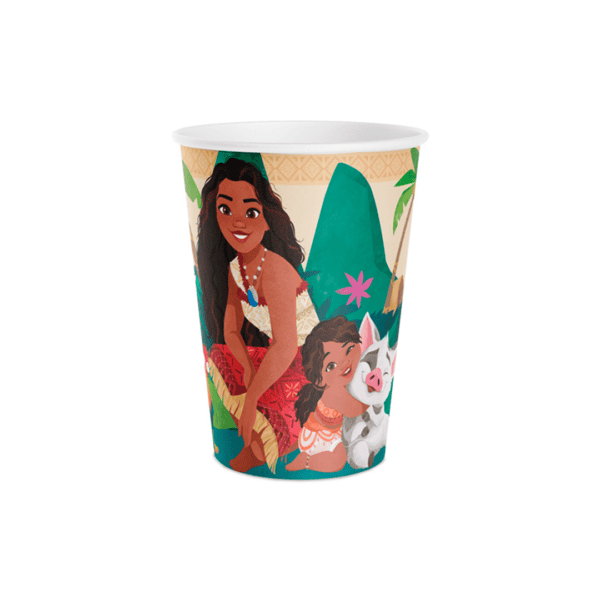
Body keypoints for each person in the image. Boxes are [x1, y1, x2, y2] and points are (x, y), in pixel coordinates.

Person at [198, 157, 319, 473]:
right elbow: (231, 331)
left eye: (250, 212)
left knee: (263, 414)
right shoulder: (235, 269)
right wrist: (249, 370)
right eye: (225, 209)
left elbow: (286, 345)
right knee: (221, 357)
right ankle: (250, 445)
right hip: (277, 354)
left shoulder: (276, 271)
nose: (237, 221)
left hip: (308, 360)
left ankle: (258, 449)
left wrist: (252, 397)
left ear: (267, 220)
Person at [286, 317, 367, 472]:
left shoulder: (340, 382)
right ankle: (306, 461)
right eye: (331, 365)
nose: (344, 363)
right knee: (339, 459)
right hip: (320, 437)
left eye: (349, 349)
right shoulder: (334, 391)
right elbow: (355, 410)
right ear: (319, 380)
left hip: (331, 430)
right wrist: (371, 401)